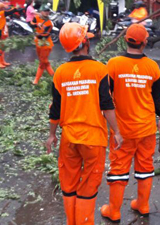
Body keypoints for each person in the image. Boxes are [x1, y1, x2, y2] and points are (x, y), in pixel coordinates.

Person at [46, 22, 123, 225]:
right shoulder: (99, 69)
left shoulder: (60, 73)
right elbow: (107, 105)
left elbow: (55, 109)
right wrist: (116, 131)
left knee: (69, 186)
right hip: (94, 140)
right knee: (88, 189)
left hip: (69, 139)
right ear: (86, 42)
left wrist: (52, 135)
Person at [101, 24, 160, 223]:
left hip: (123, 130)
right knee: (145, 165)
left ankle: (113, 211)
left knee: (119, 168)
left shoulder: (113, 64)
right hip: (147, 128)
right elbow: (157, 98)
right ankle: (143, 204)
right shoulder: (152, 67)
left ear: (126, 40)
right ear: (144, 42)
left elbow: (106, 98)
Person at [30, 4, 55, 84]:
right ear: (41, 11)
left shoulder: (49, 23)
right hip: (38, 43)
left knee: (42, 62)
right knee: (44, 61)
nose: (47, 13)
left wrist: (38, 35)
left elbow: (45, 35)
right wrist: (37, 25)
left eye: (48, 11)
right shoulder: (36, 18)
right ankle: (54, 77)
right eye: (45, 11)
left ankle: (36, 80)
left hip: (46, 44)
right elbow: (31, 25)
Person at [0, 2, 22, 68]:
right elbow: (9, 12)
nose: (4, 8)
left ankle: (2, 61)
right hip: (0, 33)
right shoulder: (1, 13)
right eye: (3, 7)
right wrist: (16, 8)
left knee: (2, 49)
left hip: (0, 33)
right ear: (0, 8)